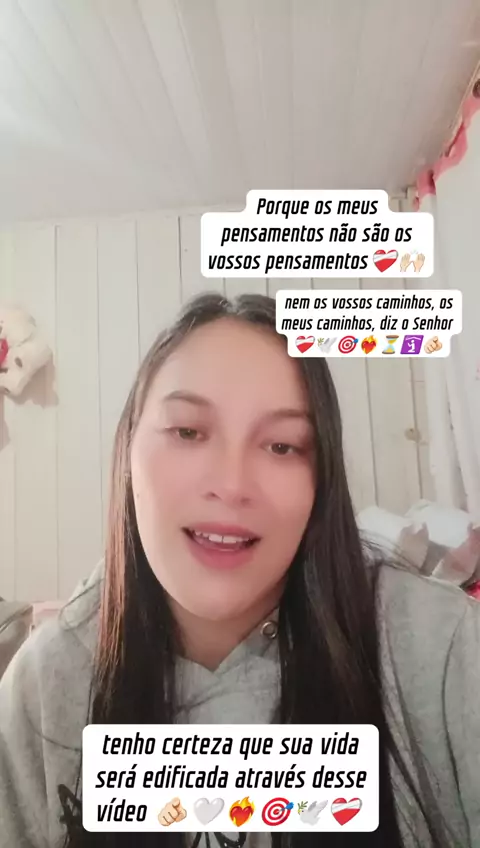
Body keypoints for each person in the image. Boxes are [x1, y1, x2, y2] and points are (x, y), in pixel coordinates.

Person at [0, 292, 478, 848]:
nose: (231, 485)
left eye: (282, 446)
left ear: (321, 480)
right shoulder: (47, 682)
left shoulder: (437, 647)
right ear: (128, 452)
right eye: (188, 432)